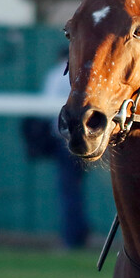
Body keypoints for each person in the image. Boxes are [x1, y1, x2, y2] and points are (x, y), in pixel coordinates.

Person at [42, 48, 90, 248]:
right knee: (75, 189)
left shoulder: (55, 75)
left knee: (69, 190)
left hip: (65, 141)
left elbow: (46, 107)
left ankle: (72, 237)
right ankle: (79, 231)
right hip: (90, 138)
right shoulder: (86, 73)